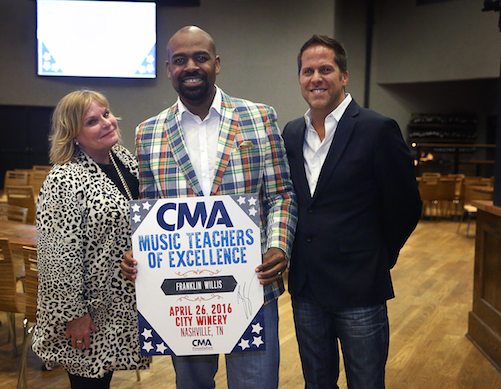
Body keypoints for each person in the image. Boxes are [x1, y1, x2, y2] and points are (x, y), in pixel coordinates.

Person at [121, 26, 297, 389]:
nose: (191, 66)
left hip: (251, 285)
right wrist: (136, 251)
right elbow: (149, 212)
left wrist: (278, 244)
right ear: (168, 69)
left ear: (216, 64)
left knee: (256, 385)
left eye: (200, 57)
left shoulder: (260, 118)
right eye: (180, 60)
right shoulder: (148, 132)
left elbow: (281, 194)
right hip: (180, 298)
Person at [282, 35, 422, 389]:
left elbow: (406, 206)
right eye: (308, 71)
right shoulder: (291, 133)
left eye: (325, 69)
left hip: (360, 287)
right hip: (306, 288)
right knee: (317, 383)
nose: (316, 78)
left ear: (344, 76)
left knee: (366, 383)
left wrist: (377, 257)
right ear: (299, 79)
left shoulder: (377, 128)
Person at [32, 90, 149, 389]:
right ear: (73, 135)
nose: (107, 123)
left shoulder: (124, 161)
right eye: (92, 121)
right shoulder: (63, 179)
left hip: (118, 304)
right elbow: (56, 258)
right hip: (86, 310)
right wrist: (74, 316)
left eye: (106, 114)